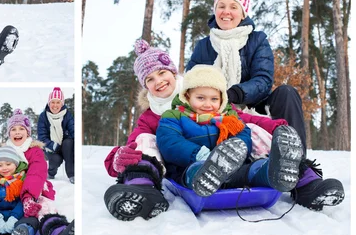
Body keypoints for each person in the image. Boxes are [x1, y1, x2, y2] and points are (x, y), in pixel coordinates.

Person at [186, 0, 344, 210]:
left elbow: (263, 79)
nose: (226, 12)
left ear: (243, 12)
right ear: (215, 10)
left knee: (286, 92)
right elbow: (191, 81)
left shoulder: (257, 40)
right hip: (214, 108)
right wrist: (213, 99)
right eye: (221, 6)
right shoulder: (203, 46)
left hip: (251, 104)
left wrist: (236, 93)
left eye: (233, 7)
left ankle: (299, 171)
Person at [103, 42, 289, 221]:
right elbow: (136, 142)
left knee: (249, 128)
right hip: (187, 164)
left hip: (230, 157)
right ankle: (140, 186)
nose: (158, 81)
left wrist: (276, 127)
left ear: (173, 73)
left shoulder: (204, 91)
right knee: (146, 138)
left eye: (161, 73)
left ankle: (287, 167)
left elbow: (242, 119)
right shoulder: (154, 116)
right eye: (150, 79)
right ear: (145, 86)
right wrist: (117, 158)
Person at [156, 65, 304, 197]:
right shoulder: (174, 116)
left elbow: (244, 134)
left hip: (232, 168)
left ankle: (274, 173)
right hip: (189, 165)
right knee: (195, 171)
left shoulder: (229, 117)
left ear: (222, 99)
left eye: (214, 99)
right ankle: (204, 179)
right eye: (201, 98)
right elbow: (169, 142)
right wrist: (199, 154)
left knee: (252, 170)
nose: (208, 104)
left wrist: (238, 150)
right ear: (187, 96)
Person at [37, 87, 75, 183]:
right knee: (55, 160)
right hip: (51, 146)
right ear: (49, 103)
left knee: (68, 143)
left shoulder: (67, 115)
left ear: (62, 104)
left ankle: (72, 175)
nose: (55, 105)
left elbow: (73, 130)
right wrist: (53, 146)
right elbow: (42, 137)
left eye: (58, 102)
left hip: (66, 146)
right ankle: (51, 173)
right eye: (52, 102)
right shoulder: (43, 116)